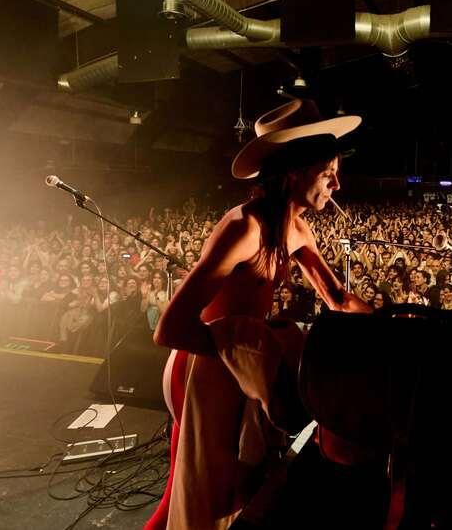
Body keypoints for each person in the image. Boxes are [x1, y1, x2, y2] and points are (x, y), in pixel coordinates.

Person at [147, 100, 369, 530]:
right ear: (293, 174)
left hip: (241, 367)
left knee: (235, 493)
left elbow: (338, 298)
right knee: (204, 501)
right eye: (327, 174)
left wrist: (391, 322)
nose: (337, 185)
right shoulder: (244, 229)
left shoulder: (296, 227)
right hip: (201, 367)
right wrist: (241, 345)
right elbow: (170, 329)